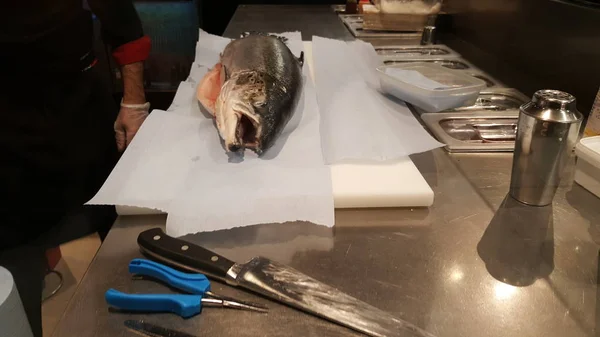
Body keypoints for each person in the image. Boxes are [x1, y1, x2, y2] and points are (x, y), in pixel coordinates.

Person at [0, 0, 151, 336]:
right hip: (7, 159)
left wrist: (133, 101)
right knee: (13, 301)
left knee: (132, 248)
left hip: (80, 120)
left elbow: (122, 21)